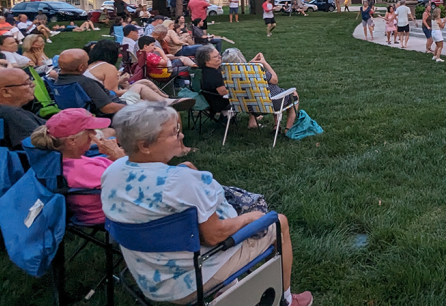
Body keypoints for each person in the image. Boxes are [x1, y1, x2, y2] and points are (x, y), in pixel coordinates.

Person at [101, 102, 313, 306]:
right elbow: (215, 237)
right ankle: (286, 299)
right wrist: (250, 217)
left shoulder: (112, 171)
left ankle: (228, 290)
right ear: (144, 145)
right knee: (279, 222)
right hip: (193, 278)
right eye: (174, 133)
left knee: (186, 166)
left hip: (148, 273)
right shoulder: (181, 182)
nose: (181, 136)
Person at [29, 108, 125, 224]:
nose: (95, 133)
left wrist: (116, 155)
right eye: (90, 131)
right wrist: (120, 156)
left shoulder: (64, 160)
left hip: (108, 196)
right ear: (72, 140)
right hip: (111, 211)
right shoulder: (81, 170)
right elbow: (137, 179)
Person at [85, 39, 187, 106]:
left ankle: (166, 98)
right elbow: (112, 93)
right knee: (140, 87)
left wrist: (121, 80)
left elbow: (105, 87)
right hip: (107, 102)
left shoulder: (91, 65)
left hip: (96, 100)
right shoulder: (108, 67)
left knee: (143, 82)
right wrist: (133, 90)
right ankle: (165, 102)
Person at [221, 48, 300, 133]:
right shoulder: (257, 73)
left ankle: (273, 125)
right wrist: (264, 62)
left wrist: (251, 62)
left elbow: (240, 69)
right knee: (292, 94)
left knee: (252, 93)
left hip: (246, 106)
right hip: (268, 105)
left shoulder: (228, 76)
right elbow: (275, 80)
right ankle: (287, 129)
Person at [0, 69, 44, 149]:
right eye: (27, 83)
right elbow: (45, 144)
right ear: (6, 92)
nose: (33, 85)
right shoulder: (13, 116)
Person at [198, 45, 258, 129]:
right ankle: (253, 120)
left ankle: (253, 117)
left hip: (211, 99)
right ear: (207, 61)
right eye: (215, 57)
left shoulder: (206, 70)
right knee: (250, 91)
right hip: (220, 103)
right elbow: (223, 91)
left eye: (219, 54)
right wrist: (238, 85)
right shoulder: (214, 75)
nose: (220, 57)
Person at [55, 49, 126, 117]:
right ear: (81, 67)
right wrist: (131, 108)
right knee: (136, 87)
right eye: (87, 62)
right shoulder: (85, 83)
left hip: (79, 117)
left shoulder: (57, 82)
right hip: (116, 114)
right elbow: (107, 108)